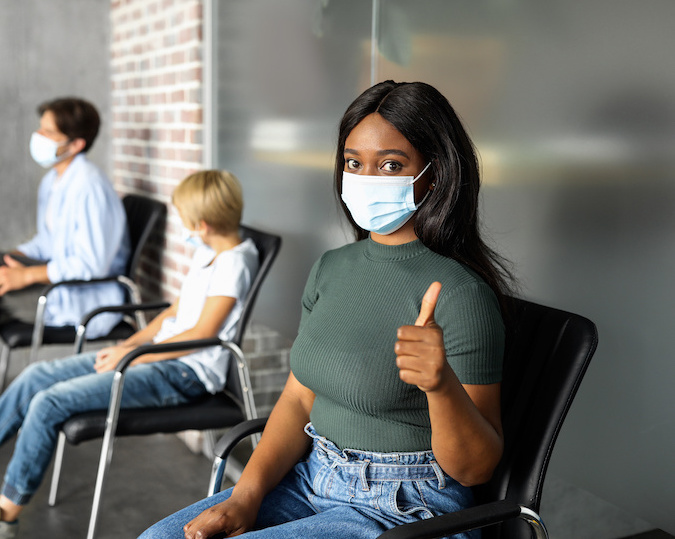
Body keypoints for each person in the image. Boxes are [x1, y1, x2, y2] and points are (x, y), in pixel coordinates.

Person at [141, 80, 513, 539]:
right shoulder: (330, 268)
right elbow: (300, 398)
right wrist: (245, 495)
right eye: (354, 163)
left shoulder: (461, 294)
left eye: (391, 164)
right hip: (312, 477)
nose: (365, 179)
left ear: (432, 175)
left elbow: (475, 470)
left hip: (406, 507)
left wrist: (440, 387)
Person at [0, 170, 259, 538]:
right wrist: (128, 345)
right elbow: (173, 313)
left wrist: (135, 358)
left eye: (184, 220)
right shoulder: (209, 255)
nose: (182, 227)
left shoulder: (235, 263)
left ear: (201, 224)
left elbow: (202, 333)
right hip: (156, 357)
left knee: (49, 402)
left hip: (181, 373)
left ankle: (6, 512)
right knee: (35, 376)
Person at [0, 97, 130, 338]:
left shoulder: (90, 187)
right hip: (58, 288)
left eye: (49, 132)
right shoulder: (53, 181)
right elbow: (49, 241)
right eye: (40, 128)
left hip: (83, 301)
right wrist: (13, 258)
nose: (38, 136)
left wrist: (27, 276)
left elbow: (91, 264)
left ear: (75, 144)